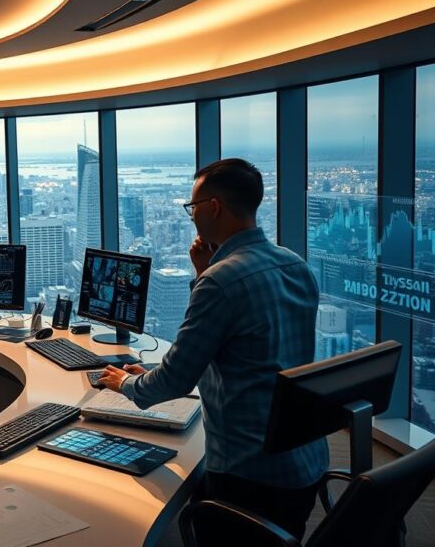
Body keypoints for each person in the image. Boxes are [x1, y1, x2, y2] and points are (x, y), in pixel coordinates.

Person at [98, 158, 327, 540]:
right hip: (303, 464)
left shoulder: (221, 282)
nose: (191, 217)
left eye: (193, 207)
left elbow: (173, 380)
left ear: (214, 207)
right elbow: (252, 351)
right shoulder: (295, 264)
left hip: (248, 474)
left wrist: (125, 384)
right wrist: (203, 273)